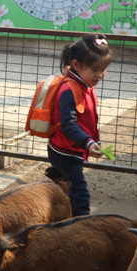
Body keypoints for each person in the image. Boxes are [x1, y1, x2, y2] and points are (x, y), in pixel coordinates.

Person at [48, 34, 110, 216]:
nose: (100, 75)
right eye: (95, 69)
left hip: (74, 149)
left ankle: (61, 220)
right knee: (79, 194)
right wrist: (88, 142)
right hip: (64, 152)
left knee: (67, 190)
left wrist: (93, 140)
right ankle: (81, 226)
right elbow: (68, 125)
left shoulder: (86, 85)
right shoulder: (69, 90)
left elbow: (88, 118)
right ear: (76, 65)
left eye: (104, 69)